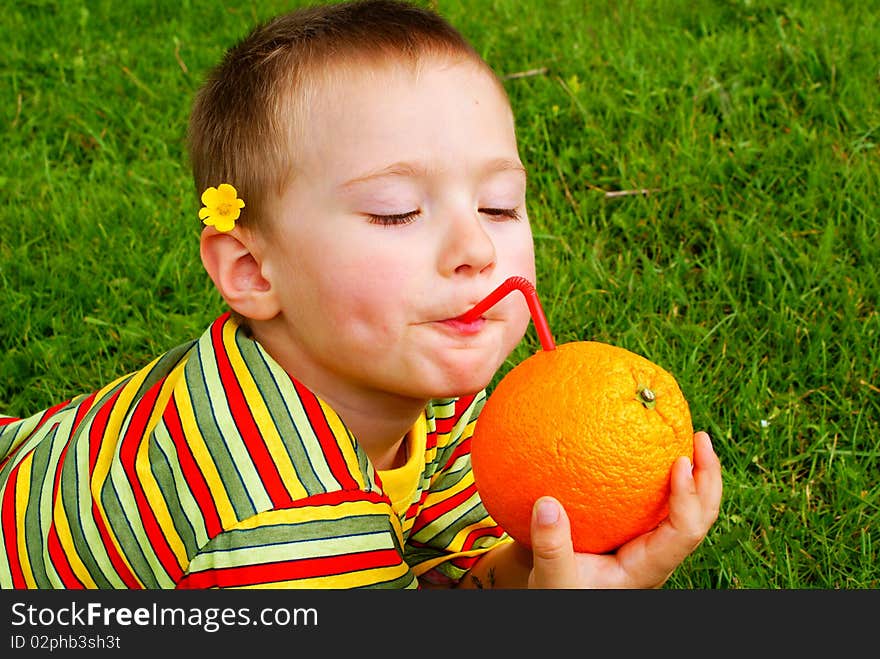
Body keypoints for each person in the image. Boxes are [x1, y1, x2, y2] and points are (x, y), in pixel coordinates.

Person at [0, 0, 721, 589]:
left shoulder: (411, 375)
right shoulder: (282, 525)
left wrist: (538, 565)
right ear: (252, 271)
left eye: (498, 205)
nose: (475, 249)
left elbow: (453, 560)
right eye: (396, 212)